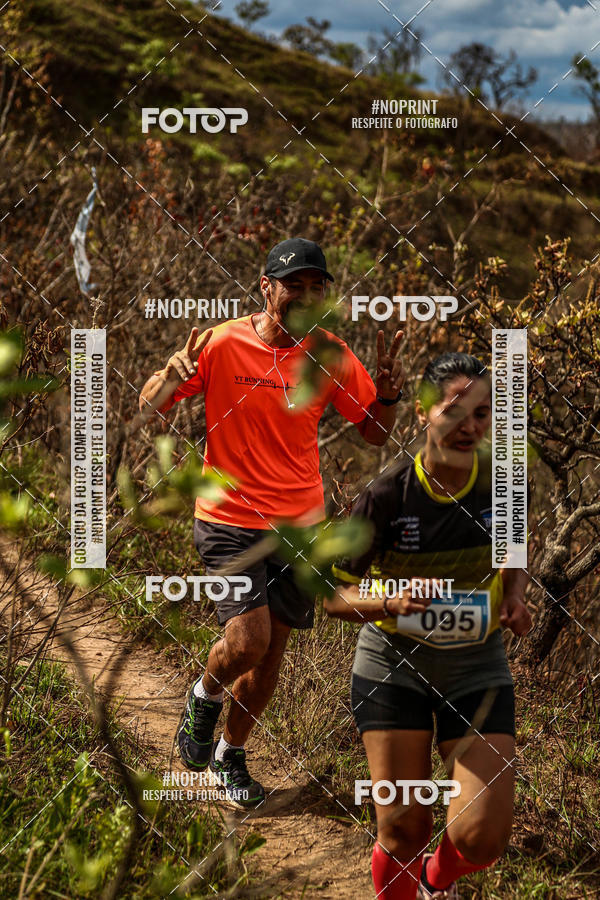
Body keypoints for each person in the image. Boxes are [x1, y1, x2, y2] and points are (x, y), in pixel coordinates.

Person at [139, 237, 406, 808]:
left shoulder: (328, 354)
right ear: (266, 287)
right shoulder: (220, 342)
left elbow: (374, 432)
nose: (307, 298)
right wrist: (170, 372)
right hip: (226, 518)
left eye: (318, 288)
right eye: (295, 286)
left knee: (270, 657)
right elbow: (153, 401)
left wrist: (387, 394)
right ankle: (204, 695)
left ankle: (227, 757)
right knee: (248, 641)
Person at [325, 352, 532, 899]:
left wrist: (515, 596)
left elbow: (512, 552)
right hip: (394, 666)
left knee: (482, 839)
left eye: (482, 414)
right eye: (455, 410)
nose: (469, 426)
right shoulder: (387, 495)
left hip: (476, 664)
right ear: (423, 413)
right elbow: (334, 597)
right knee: (401, 830)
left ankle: (432, 884)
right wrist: (390, 598)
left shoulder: (504, 482)